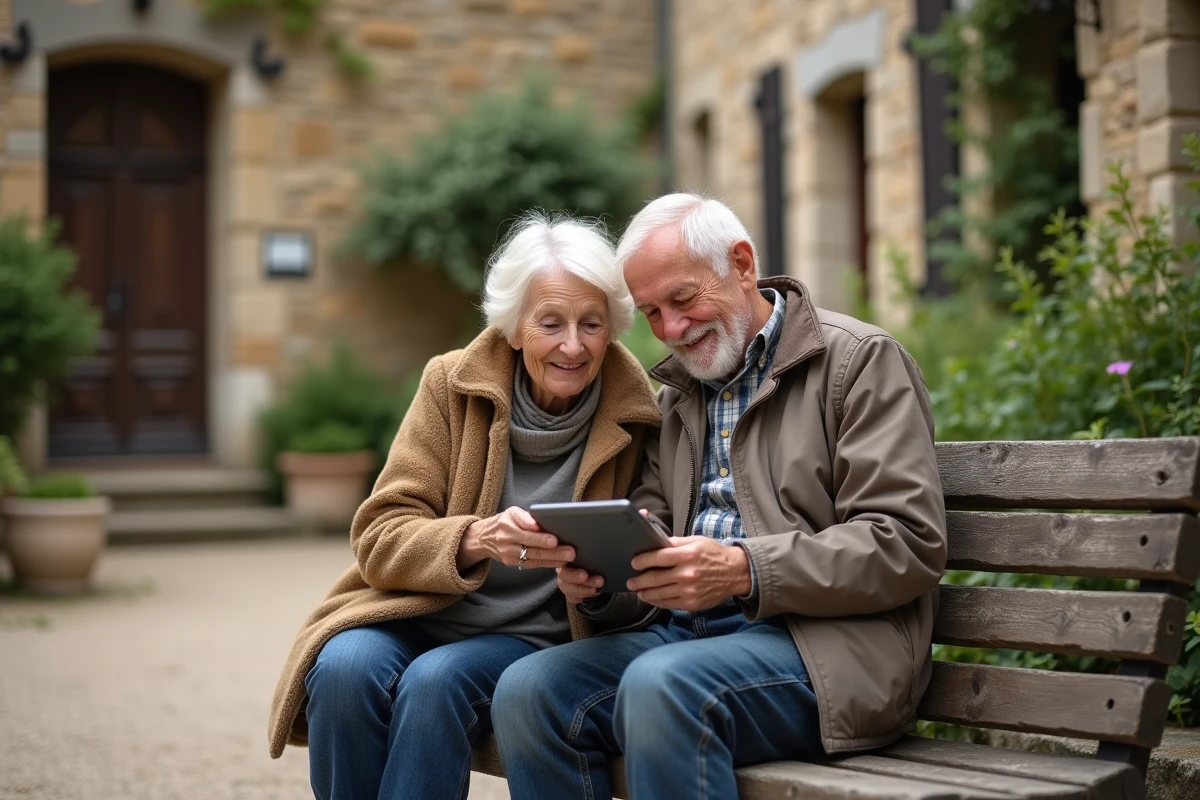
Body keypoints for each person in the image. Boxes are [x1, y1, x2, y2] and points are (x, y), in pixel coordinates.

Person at [492, 194, 949, 800]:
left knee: (663, 685)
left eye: (682, 299)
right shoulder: (680, 396)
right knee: (529, 691)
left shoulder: (860, 363)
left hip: (826, 651)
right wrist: (602, 584)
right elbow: (652, 527)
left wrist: (743, 570)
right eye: (652, 312)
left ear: (741, 264)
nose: (671, 329)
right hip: (689, 638)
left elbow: (906, 544)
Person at [266, 213, 661, 800]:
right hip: (418, 613)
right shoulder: (451, 385)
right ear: (515, 327)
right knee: (346, 666)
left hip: (535, 638)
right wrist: (476, 538)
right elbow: (379, 534)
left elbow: (643, 588)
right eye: (550, 322)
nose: (573, 345)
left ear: (613, 327)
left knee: (436, 680)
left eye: (592, 323)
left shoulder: (644, 414)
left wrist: (607, 581)